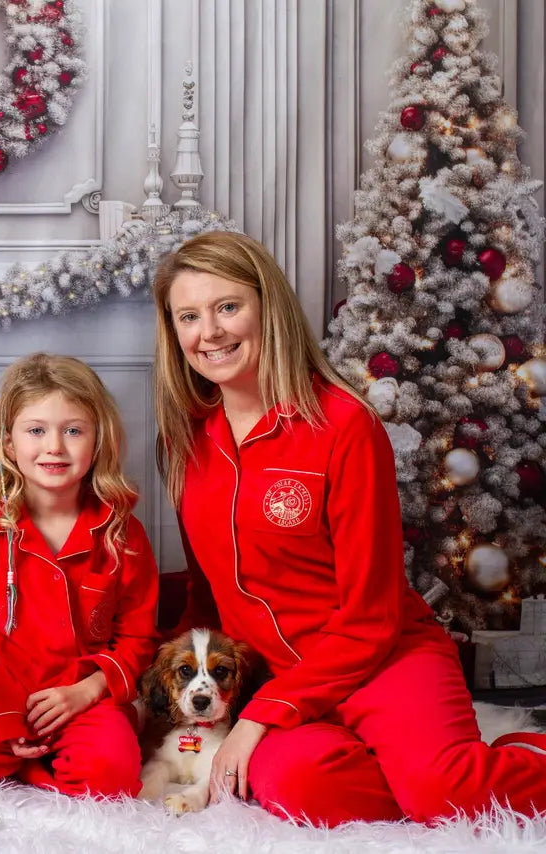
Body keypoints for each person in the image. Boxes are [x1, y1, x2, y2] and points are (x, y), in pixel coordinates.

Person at [151, 229, 546, 826]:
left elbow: (373, 615)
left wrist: (262, 716)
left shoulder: (342, 426)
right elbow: (208, 597)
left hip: (382, 657)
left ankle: (508, 758)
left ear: (268, 309)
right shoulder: (183, 443)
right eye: (189, 316)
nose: (210, 332)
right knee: (296, 784)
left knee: (443, 793)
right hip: (277, 674)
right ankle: (404, 770)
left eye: (228, 307)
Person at [0, 354, 159, 799]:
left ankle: (35, 767)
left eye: (73, 431)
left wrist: (90, 690)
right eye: (36, 430)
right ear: (7, 445)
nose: (54, 447)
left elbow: (138, 639)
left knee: (110, 780)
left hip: (82, 700)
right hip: (0, 699)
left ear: (99, 442)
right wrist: (5, 711)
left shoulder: (122, 532)